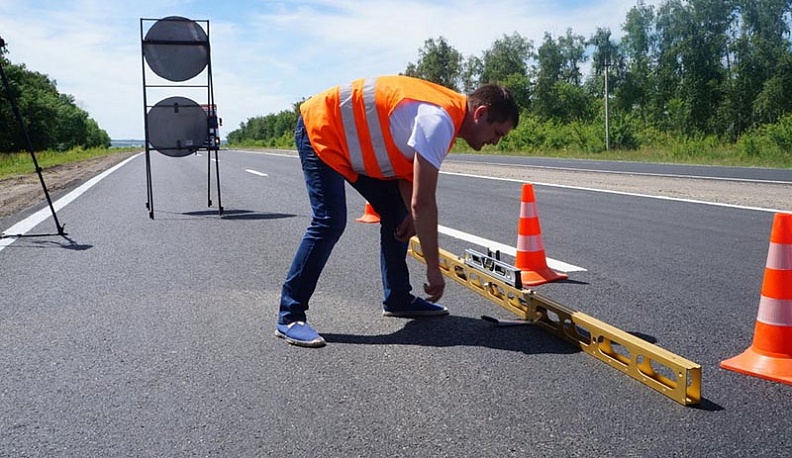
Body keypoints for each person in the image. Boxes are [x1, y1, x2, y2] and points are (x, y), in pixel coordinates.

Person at [276, 75, 519, 347]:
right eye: (497, 133)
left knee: (397, 215)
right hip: (320, 128)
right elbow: (423, 203)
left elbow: (406, 174)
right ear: (481, 113)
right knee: (330, 221)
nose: (495, 142)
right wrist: (433, 269)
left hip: (349, 144)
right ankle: (290, 315)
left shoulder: (447, 115)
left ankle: (398, 298)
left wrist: (412, 217)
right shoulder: (439, 120)